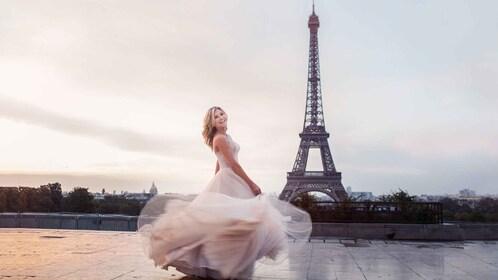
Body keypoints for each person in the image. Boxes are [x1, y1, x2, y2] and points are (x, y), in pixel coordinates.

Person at [138, 106, 312, 279]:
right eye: (216, 116)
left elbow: (219, 163)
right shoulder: (219, 138)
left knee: (232, 221)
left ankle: (230, 261)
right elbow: (234, 165)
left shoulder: (225, 137)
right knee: (237, 220)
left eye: (222, 113)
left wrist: (214, 185)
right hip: (231, 177)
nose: (221, 117)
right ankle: (222, 261)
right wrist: (251, 184)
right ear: (211, 123)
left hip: (228, 178)